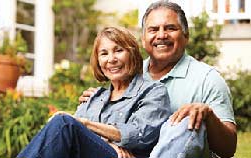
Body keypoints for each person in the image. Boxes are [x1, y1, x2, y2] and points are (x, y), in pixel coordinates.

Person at [79, 2, 237, 158]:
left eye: (170, 28)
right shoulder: (128, 73)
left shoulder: (207, 79)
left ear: (186, 35)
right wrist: (98, 101)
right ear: (143, 39)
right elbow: (121, 129)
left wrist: (208, 117)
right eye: (153, 29)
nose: (161, 35)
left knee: (185, 120)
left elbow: (228, 149)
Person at [17, 27, 172, 158]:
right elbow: (73, 139)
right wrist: (108, 143)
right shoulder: (94, 97)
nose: (111, 59)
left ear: (132, 54)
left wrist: (85, 124)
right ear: (98, 61)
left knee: (63, 123)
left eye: (118, 50)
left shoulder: (153, 92)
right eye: (104, 54)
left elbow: (138, 134)